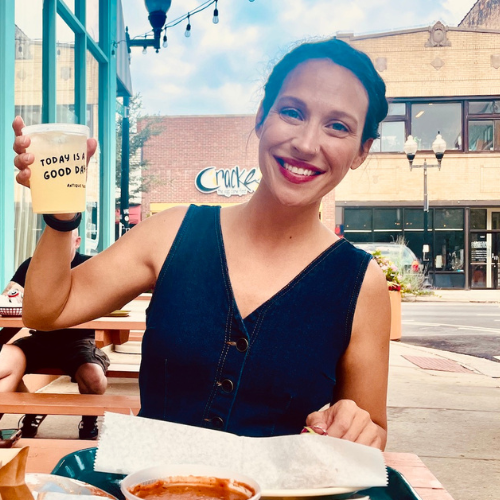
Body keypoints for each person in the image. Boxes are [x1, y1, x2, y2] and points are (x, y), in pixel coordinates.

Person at [12, 38, 391, 449]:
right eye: (292, 112)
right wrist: (61, 214)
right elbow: (46, 309)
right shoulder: (173, 232)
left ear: (361, 151)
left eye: (338, 126)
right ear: (263, 117)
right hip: (152, 490)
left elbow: (372, 429)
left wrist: (352, 425)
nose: (306, 143)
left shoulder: (360, 283)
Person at [0, 229, 110, 440]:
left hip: (78, 341)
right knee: (4, 361)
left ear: (77, 241)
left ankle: (89, 419)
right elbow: (10, 301)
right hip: (40, 339)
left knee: (94, 378)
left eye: (63, 239)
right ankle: (32, 407)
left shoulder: (90, 266)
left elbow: (108, 304)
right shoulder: (32, 265)